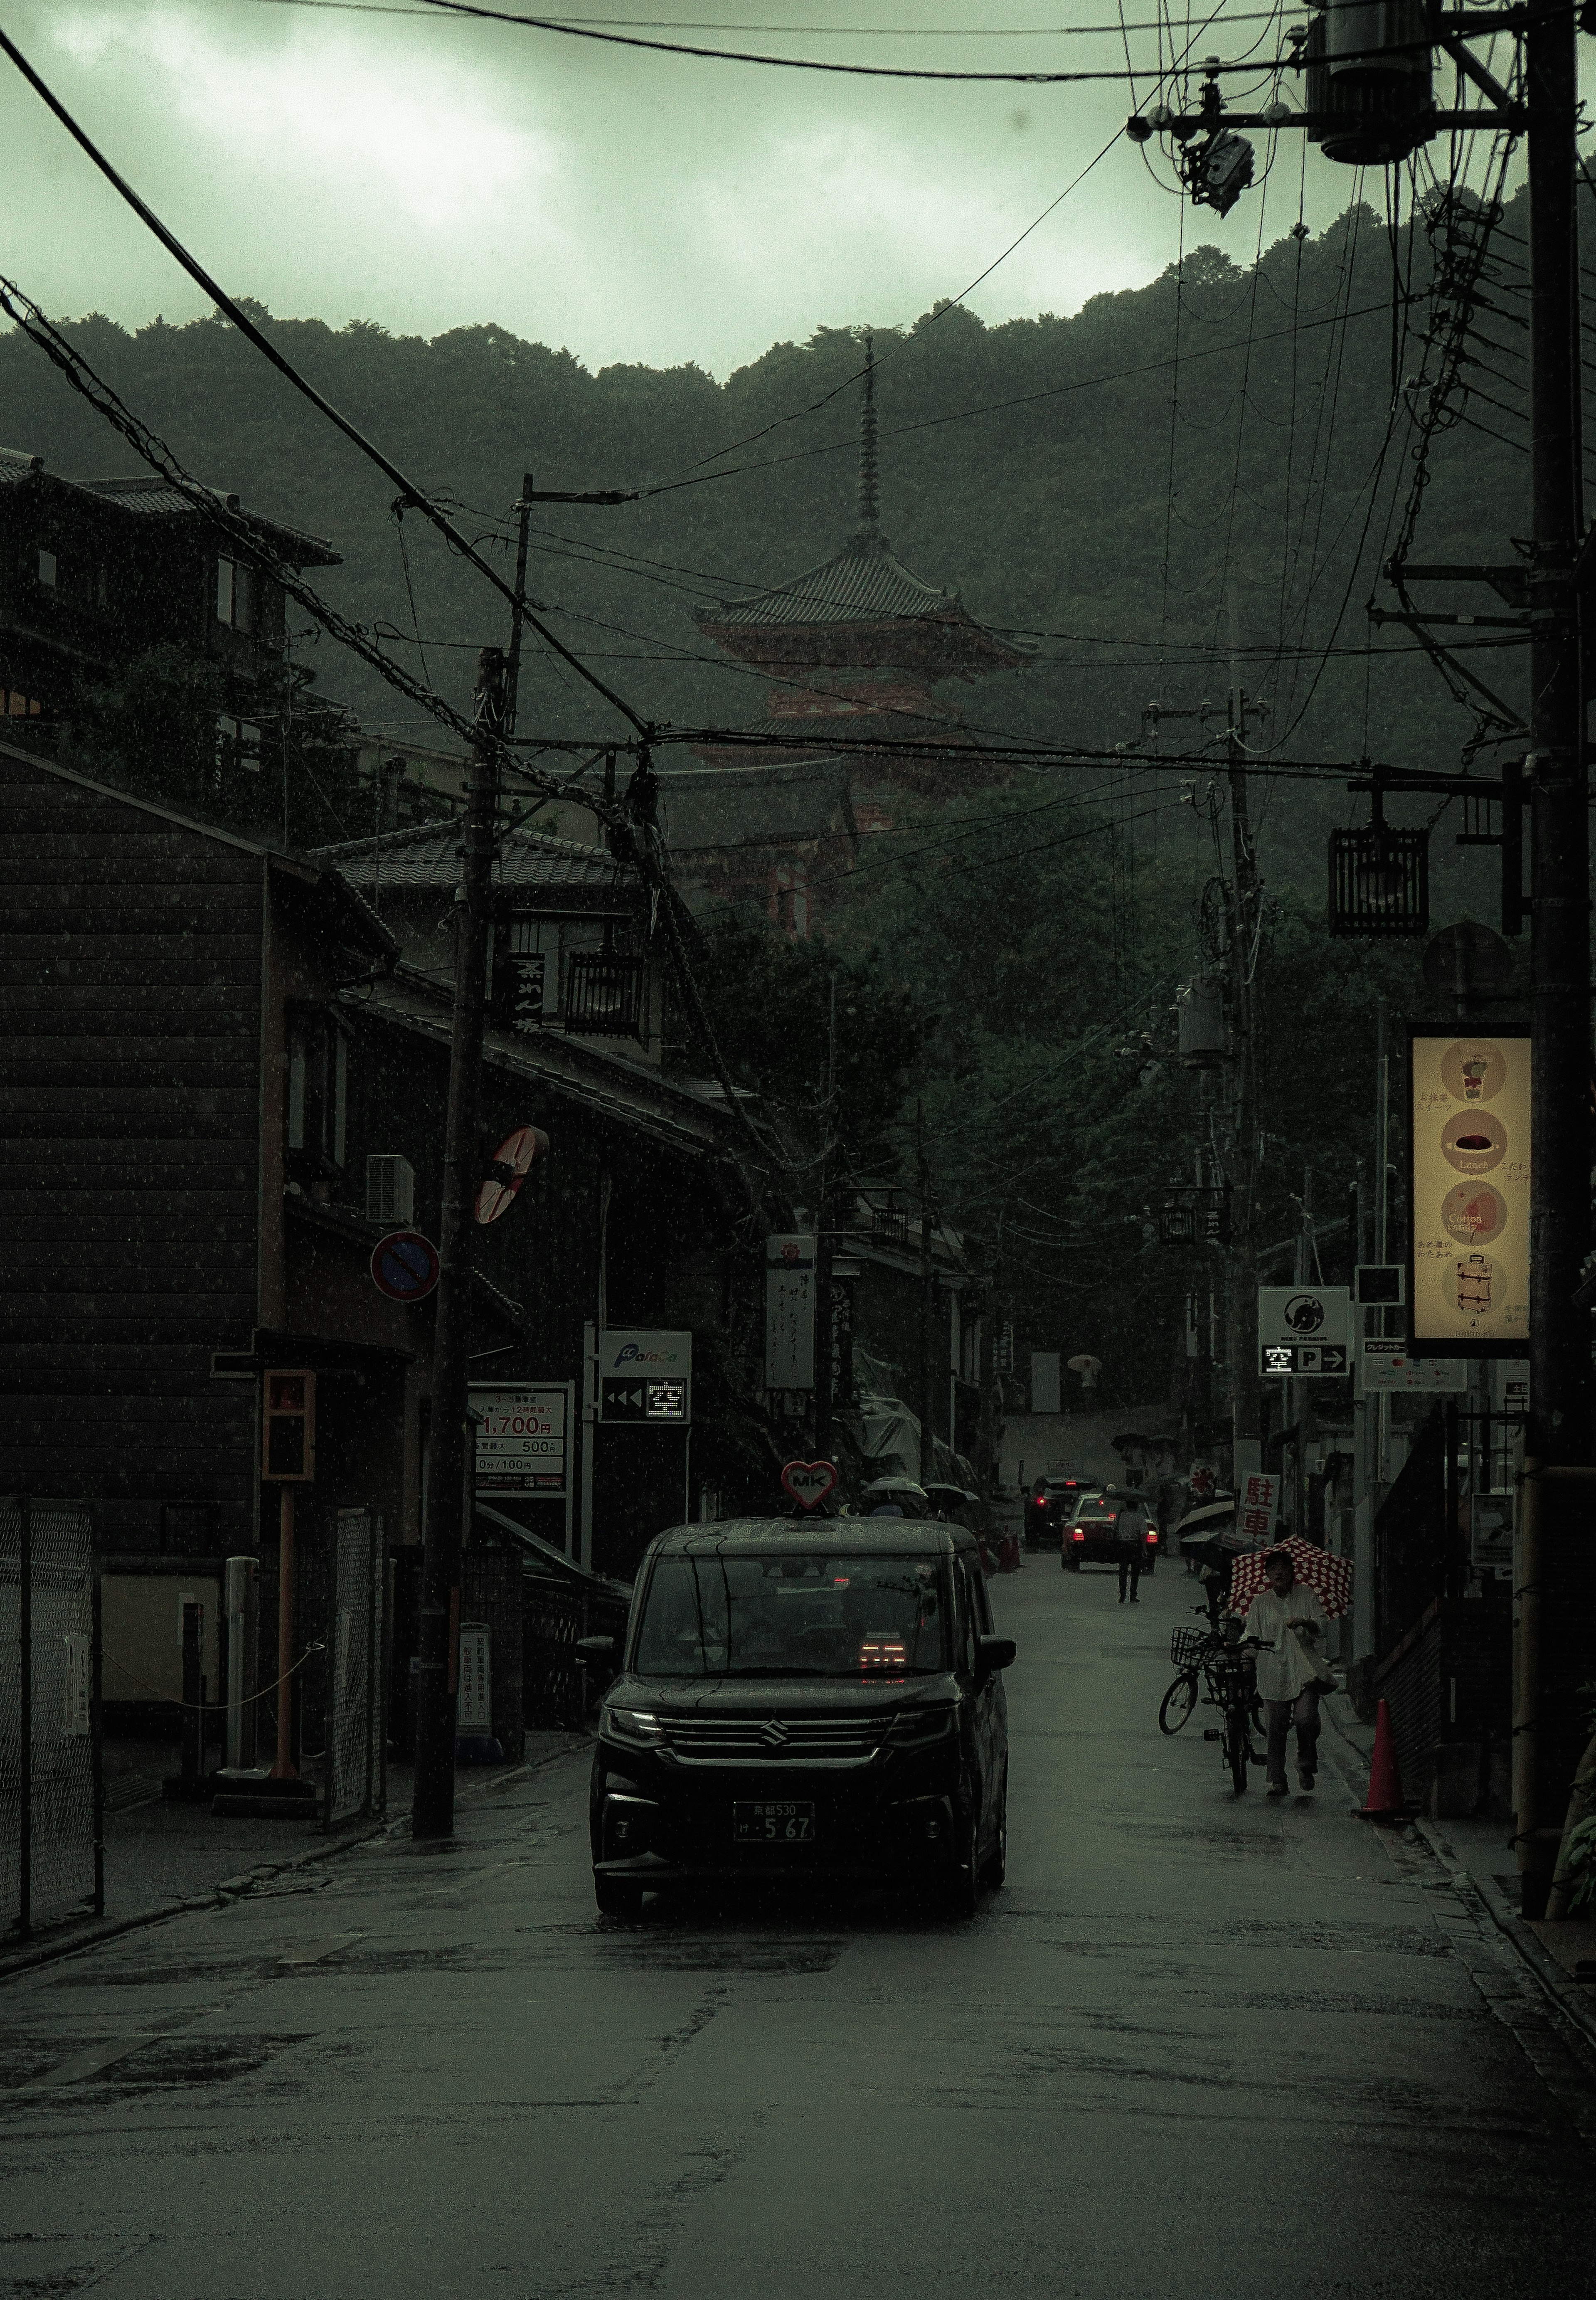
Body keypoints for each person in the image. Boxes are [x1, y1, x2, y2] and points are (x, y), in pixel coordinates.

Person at [1240, 1548, 1330, 1795]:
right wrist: (1240, 1647)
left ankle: (1305, 1763)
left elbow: (1321, 1627)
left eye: (1283, 1568)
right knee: (1275, 1728)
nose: (1278, 1572)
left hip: (1303, 1670)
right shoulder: (1261, 1602)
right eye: (1273, 1569)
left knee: (1306, 1719)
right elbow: (1251, 1634)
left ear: (1292, 1572)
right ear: (1268, 1574)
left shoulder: (1306, 1595)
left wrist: (1304, 1621)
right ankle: (1277, 1778)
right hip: (1272, 1671)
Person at [1116, 1494, 1151, 1603]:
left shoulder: (1121, 1516)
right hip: (1135, 1546)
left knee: (1123, 1571)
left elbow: (1114, 1527)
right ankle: (1133, 1595)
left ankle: (1122, 1595)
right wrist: (1144, 1549)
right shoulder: (1139, 1517)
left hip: (1123, 1545)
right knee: (1135, 1572)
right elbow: (1143, 1533)